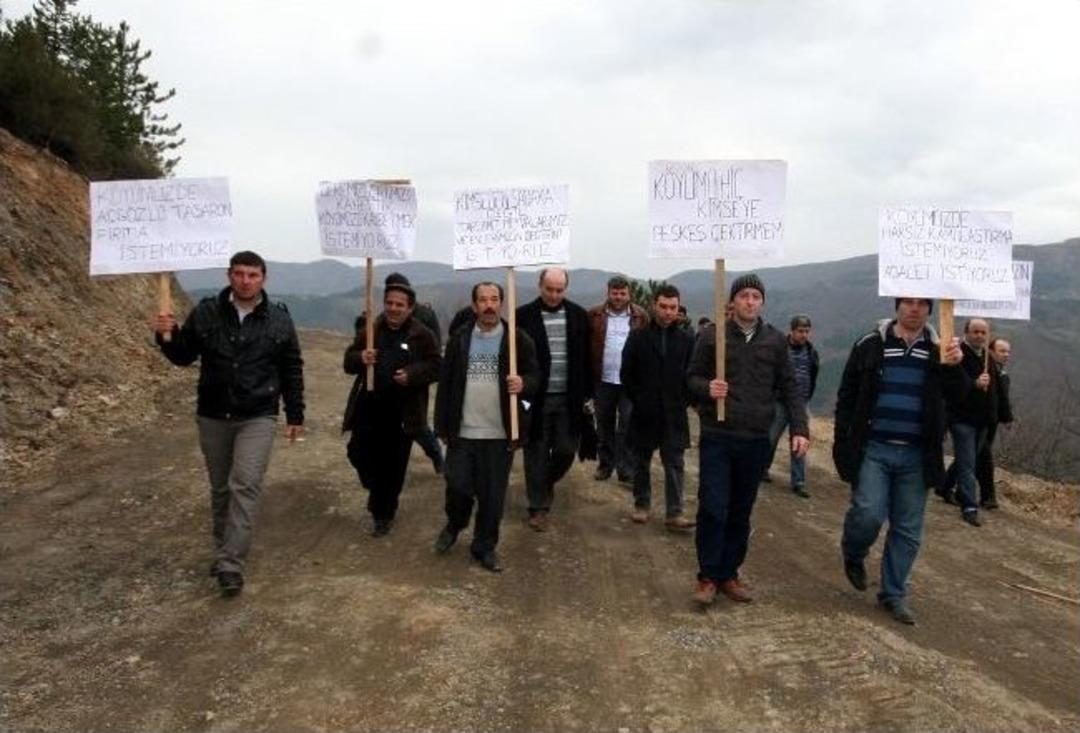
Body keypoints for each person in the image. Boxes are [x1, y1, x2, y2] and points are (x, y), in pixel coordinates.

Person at [154, 251, 305, 598]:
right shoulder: (208, 312)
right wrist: (167, 334)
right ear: (229, 276)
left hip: (258, 414)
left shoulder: (279, 319)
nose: (245, 281)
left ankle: (231, 564)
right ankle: (224, 549)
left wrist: (295, 414)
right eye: (239, 274)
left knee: (245, 485)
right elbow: (183, 356)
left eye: (252, 275)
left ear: (264, 278)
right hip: (213, 414)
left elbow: (291, 368)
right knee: (221, 488)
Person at [834, 298, 965, 625]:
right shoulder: (870, 344)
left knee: (907, 529)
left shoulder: (941, 349)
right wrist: (842, 443)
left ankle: (893, 593)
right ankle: (853, 553)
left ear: (930, 310)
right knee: (867, 513)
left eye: (922, 303)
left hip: (918, 454)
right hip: (874, 448)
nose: (914, 309)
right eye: (908, 301)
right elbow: (846, 396)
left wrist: (955, 367)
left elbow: (960, 398)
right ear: (897, 305)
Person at [687, 274, 809, 606]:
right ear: (733, 302)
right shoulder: (713, 337)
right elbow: (691, 379)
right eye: (744, 296)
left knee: (740, 511)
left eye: (756, 296)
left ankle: (729, 573)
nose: (750, 301)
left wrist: (800, 428)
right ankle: (708, 576)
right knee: (713, 507)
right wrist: (706, 388)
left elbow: (789, 388)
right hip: (718, 436)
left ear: (763, 302)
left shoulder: (774, 342)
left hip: (756, 439)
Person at [433, 282, 540, 571]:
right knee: (457, 486)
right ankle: (455, 524)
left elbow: (534, 377)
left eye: (494, 299)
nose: (489, 305)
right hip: (463, 430)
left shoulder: (517, 340)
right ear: (474, 305)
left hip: (499, 433)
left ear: (502, 304)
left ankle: (484, 546)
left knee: (492, 497)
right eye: (483, 300)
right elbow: (446, 385)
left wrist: (523, 383)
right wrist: (441, 423)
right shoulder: (459, 340)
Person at [342, 282, 441, 537]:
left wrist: (412, 374)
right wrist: (360, 358)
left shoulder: (422, 335)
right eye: (389, 303)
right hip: (369, 407)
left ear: (410, 308)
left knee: (393, 466)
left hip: (403, 413)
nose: (393, 309)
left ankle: (383, 514)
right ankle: (376, 487)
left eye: (400, 305)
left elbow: (436, 366)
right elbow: (349, 361)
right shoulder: (371, 330)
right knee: (357, 453)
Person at [516, 268, 592, 531]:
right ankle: (537, 507)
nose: (553, 294)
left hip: (569, 398)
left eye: (559, 290)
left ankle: (545, 481)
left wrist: (589, 395)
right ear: (540, 286)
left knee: (565, 450)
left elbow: (586, 359)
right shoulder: (522, 316)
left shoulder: (579, 316)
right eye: (549, 289)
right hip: (535, 399)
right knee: (535, 452)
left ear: (566, 289)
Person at [621, 284, 695, 531]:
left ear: (678, 309)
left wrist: (682, 400)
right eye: (663, 306)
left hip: (674, 412)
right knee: (641, 460)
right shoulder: (638, 337)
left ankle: (674, 513)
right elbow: (626, 374)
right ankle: (642, 504)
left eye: (672, 307)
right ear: (654, 305)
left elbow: (691, 376)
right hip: (645, 412)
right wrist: (640, 400)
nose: (667, 312)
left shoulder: (686, 340)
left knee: (674, 462)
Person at [587, 275, 649, 484]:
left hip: (629, 383)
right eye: (615, 293)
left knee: (627, 425)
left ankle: (625, 468)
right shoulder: (594, 315)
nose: (619, 297)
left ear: (629, 293)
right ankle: (605, 465)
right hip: (602, 380)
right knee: (603, 425)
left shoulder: (641, 317)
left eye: (623, 293)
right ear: (608, 292)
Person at [945, 318, 1005, 527]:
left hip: (984, 420)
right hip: (962, 418)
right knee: (968, 462)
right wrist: (974, 384)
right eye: (975, 332)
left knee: (967, 458)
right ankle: (969, 506)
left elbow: (997, 391)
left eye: (983, 332)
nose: (979, 335)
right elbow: (951, 385)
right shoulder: (956, 354)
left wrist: (1003, 414)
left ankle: (944, 487)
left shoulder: (988, 357)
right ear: (966, 333)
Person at [384, 272, 445, 474]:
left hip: (415, 381)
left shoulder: (425, 316)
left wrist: (415, 372)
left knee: (416, 426)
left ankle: (436, 454)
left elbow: (434, 354)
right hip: (388, 382)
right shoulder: (383, 318)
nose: (394, 306)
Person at [762, 314, 820, 497]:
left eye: (807, 331)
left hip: (800, 404)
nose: (804, 335)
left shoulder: (811, 353)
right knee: (770, 438)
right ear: (792, 331)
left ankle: (799, 482)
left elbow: (813, 375)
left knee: (800, 442)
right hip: (780, 402)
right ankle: (762, 469)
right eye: (800, 331)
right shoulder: (781, 350)